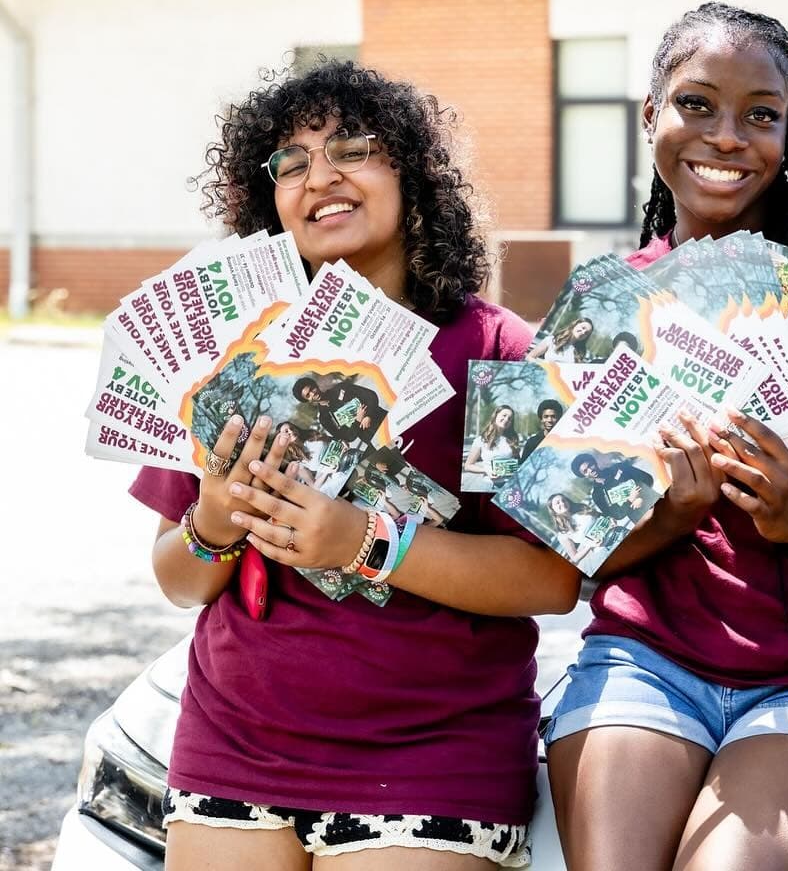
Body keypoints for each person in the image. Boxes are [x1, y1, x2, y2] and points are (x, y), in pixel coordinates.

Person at [131, 59, 579, 869]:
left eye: (351, 148)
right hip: (233, 743)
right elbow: (179, 578)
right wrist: (217, 519)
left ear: (412, 172)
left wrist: (366, 543)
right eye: (291, 162)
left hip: (431, 757)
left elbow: (551, 579)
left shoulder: (499, 351)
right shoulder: (232, 347)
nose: (320, 177)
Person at [545, 2, 788, 871]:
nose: (727, 137)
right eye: (696, 104)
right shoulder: (607, 304)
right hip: (644, 659)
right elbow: (567, 558)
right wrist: (672, 514)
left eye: (762, 115)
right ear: (649, 114)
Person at [569, 451, 654, 518]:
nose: (590, 470)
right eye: (585, 471)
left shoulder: (619, 468)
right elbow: (616, 515)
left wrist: (640, 496)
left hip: (652, 501)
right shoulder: (597, 495)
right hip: (639, 518)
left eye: (590, 465)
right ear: (584, 476)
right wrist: (629, 500)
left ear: (594, 462)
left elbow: (647, 479)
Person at [463, 404, 521, 479]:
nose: (506, 419)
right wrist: (486, 470)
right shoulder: (481, 440)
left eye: (510, 418)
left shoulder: (512, 440)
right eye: (504, 415)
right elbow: (468, 466)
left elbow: (518, 463)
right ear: (495, 415)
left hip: (509, 485)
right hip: (489, 485)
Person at [529, 316, 594, 362]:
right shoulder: (551, 340)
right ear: (575, 324)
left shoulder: (580, 352)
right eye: (583, 328)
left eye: (586, 333)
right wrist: (542, 367)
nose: (583, 332)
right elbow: (530, 357)